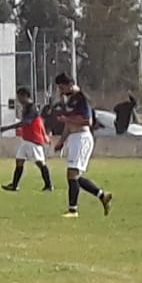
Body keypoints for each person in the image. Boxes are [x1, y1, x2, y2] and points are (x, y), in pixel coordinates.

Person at [53, 73, 113, 218]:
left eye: (62, 87)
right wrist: (61, 141)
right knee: (74, 176)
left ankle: (73, 210)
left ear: (70, 85)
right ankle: (102, 195)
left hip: (82, 138)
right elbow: (68, 124)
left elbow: (88, 121)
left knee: (72, 174)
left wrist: (67, 119)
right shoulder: (70, 100)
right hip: (74, 138)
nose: (60, 91)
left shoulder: (81, 99)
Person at [0, 87, 54, 192]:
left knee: (40, 163)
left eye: (19, 97)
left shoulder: (31, 108)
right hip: (26, 139)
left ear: (25, 95)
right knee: (19, 160)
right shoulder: (26, 107)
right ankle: (15, 185)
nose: (18, 99)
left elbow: (25, 123)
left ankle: (49, 185)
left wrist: (7, 128)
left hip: (33, 140)